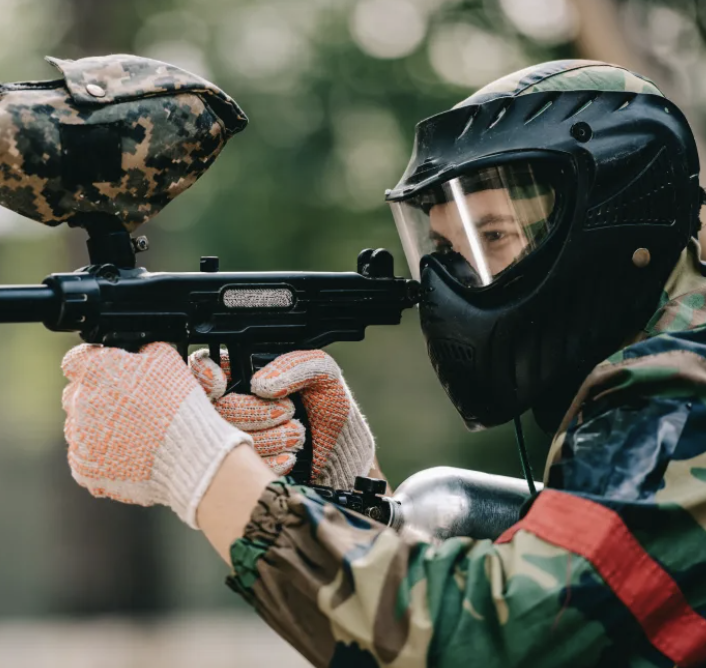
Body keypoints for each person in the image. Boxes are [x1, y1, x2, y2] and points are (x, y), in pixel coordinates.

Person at [60, 61, 706, 667]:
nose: (452, 283)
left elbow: (492, 641)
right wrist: (353, 495)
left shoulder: (684, 391)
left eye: (495, 236)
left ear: (613, 220)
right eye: (447, 249)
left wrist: (202, 468)